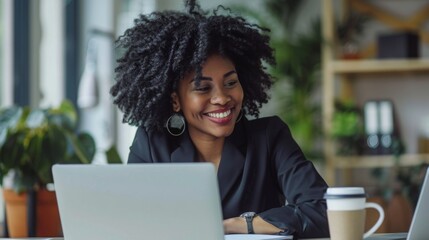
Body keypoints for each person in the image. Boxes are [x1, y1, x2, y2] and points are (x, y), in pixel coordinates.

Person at [110, 0, 329, 238]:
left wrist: (239, 225)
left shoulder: (269, 137)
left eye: (231, 83)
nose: (222, 98)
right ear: (175, 100)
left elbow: (325, 211)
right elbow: (130, 223)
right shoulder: (152, 145)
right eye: (203, 88)